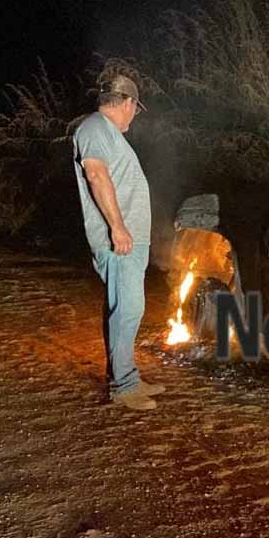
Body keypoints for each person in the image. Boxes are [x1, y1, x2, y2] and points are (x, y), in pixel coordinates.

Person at [72, 74, 165, 411]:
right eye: (134, 111)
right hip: (119, 239)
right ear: (127, 103)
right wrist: (118, 228)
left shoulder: (106, 133)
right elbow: (96, 174)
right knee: (128, 309)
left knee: (123, 308)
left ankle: (126, 376)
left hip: (127, 238)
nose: (133, 117)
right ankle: (124, 386)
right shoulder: (95, 127)